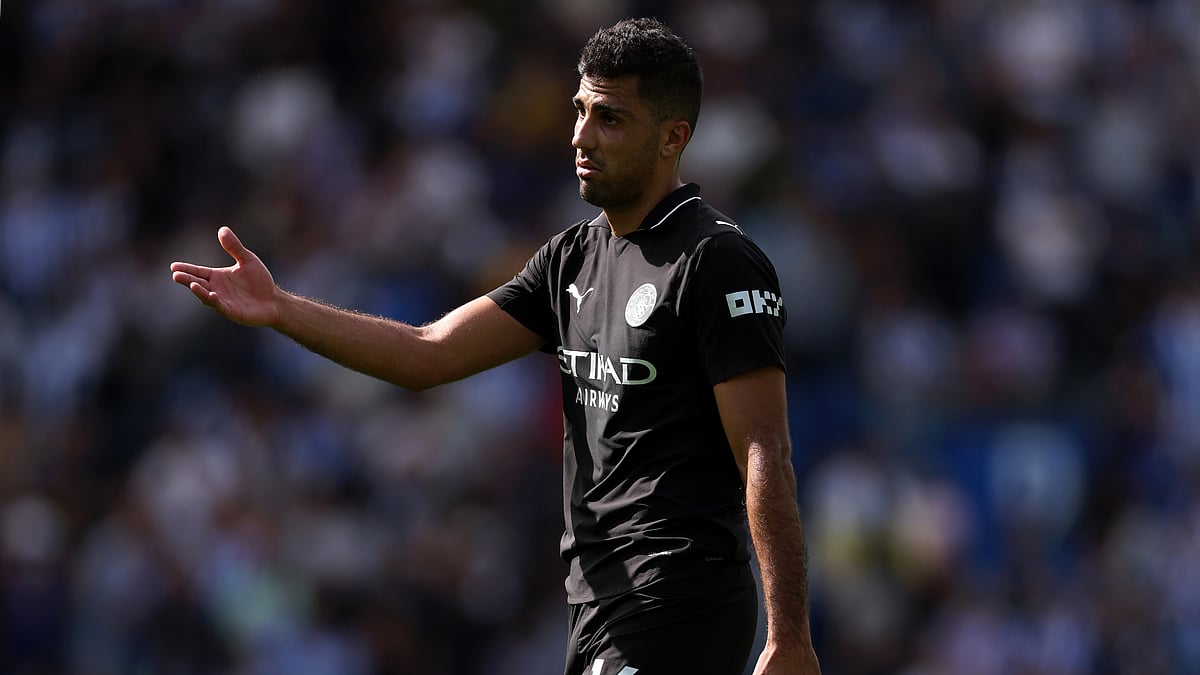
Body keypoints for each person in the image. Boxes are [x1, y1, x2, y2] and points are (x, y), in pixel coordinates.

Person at [170, 17, 820, 675]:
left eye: (611, 119)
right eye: (581, 111)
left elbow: (765, 449)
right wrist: (281, 308)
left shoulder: (717, 262)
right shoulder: (572, 258)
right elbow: (428, 352)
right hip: (597, 607)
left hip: (681, 601)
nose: (581, 137)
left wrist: (788, 634)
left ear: (672, 138)